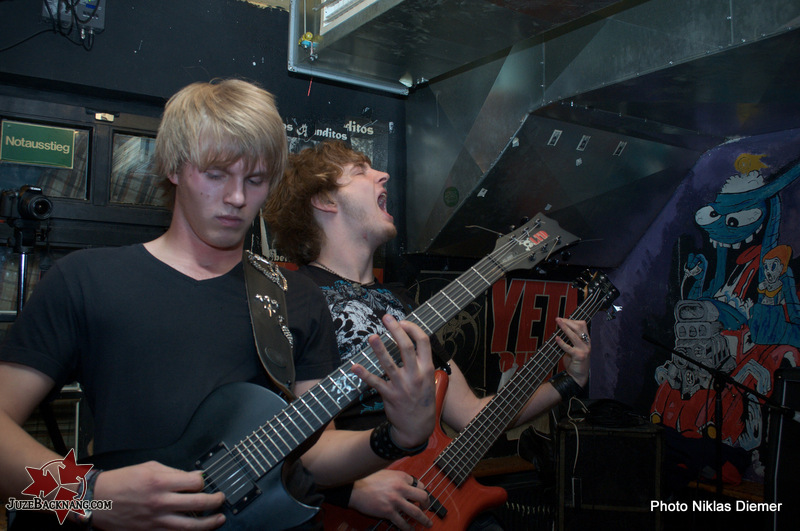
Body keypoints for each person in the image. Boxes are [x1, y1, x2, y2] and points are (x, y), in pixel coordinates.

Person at [0, 80, 435, 530]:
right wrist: (90, 495)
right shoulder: (85, 279)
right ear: (174, 167)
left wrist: (397, 437)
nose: (237, 198)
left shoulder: (295, 295)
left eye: (255, 180)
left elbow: (314, 456)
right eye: (215, 174)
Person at [264, 140, 592, 530]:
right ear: (324, 200)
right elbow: (302, 443)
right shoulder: (294, 297)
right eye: (360, 171)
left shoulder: (404, 306)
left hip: (431, 497)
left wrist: (567, 382)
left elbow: (471, 415)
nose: (383, 174)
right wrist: (351, 490)